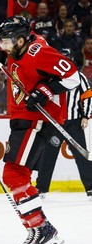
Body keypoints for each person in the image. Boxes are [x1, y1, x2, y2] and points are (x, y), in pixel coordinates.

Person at [0, 15, 79, 244]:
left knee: (13, 173)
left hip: (38, 118)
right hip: (23, 117)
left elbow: (72, 76)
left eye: (6, 43)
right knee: (20, 176)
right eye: (1, 42)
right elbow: (6, 49)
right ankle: (35, 229)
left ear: (22, 39)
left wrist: (45, 91)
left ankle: (42, 228)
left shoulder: (39, 53)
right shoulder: (20, 46)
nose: (3, 46)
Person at [36, 48, 92, 199]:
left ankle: (91, 187)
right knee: (48, 155)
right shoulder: (50, 77)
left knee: (82, 155)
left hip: (74, 124)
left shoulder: (79, 77)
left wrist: (86, 116)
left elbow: (87, 95)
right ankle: (41, 189)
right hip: (54, 124)